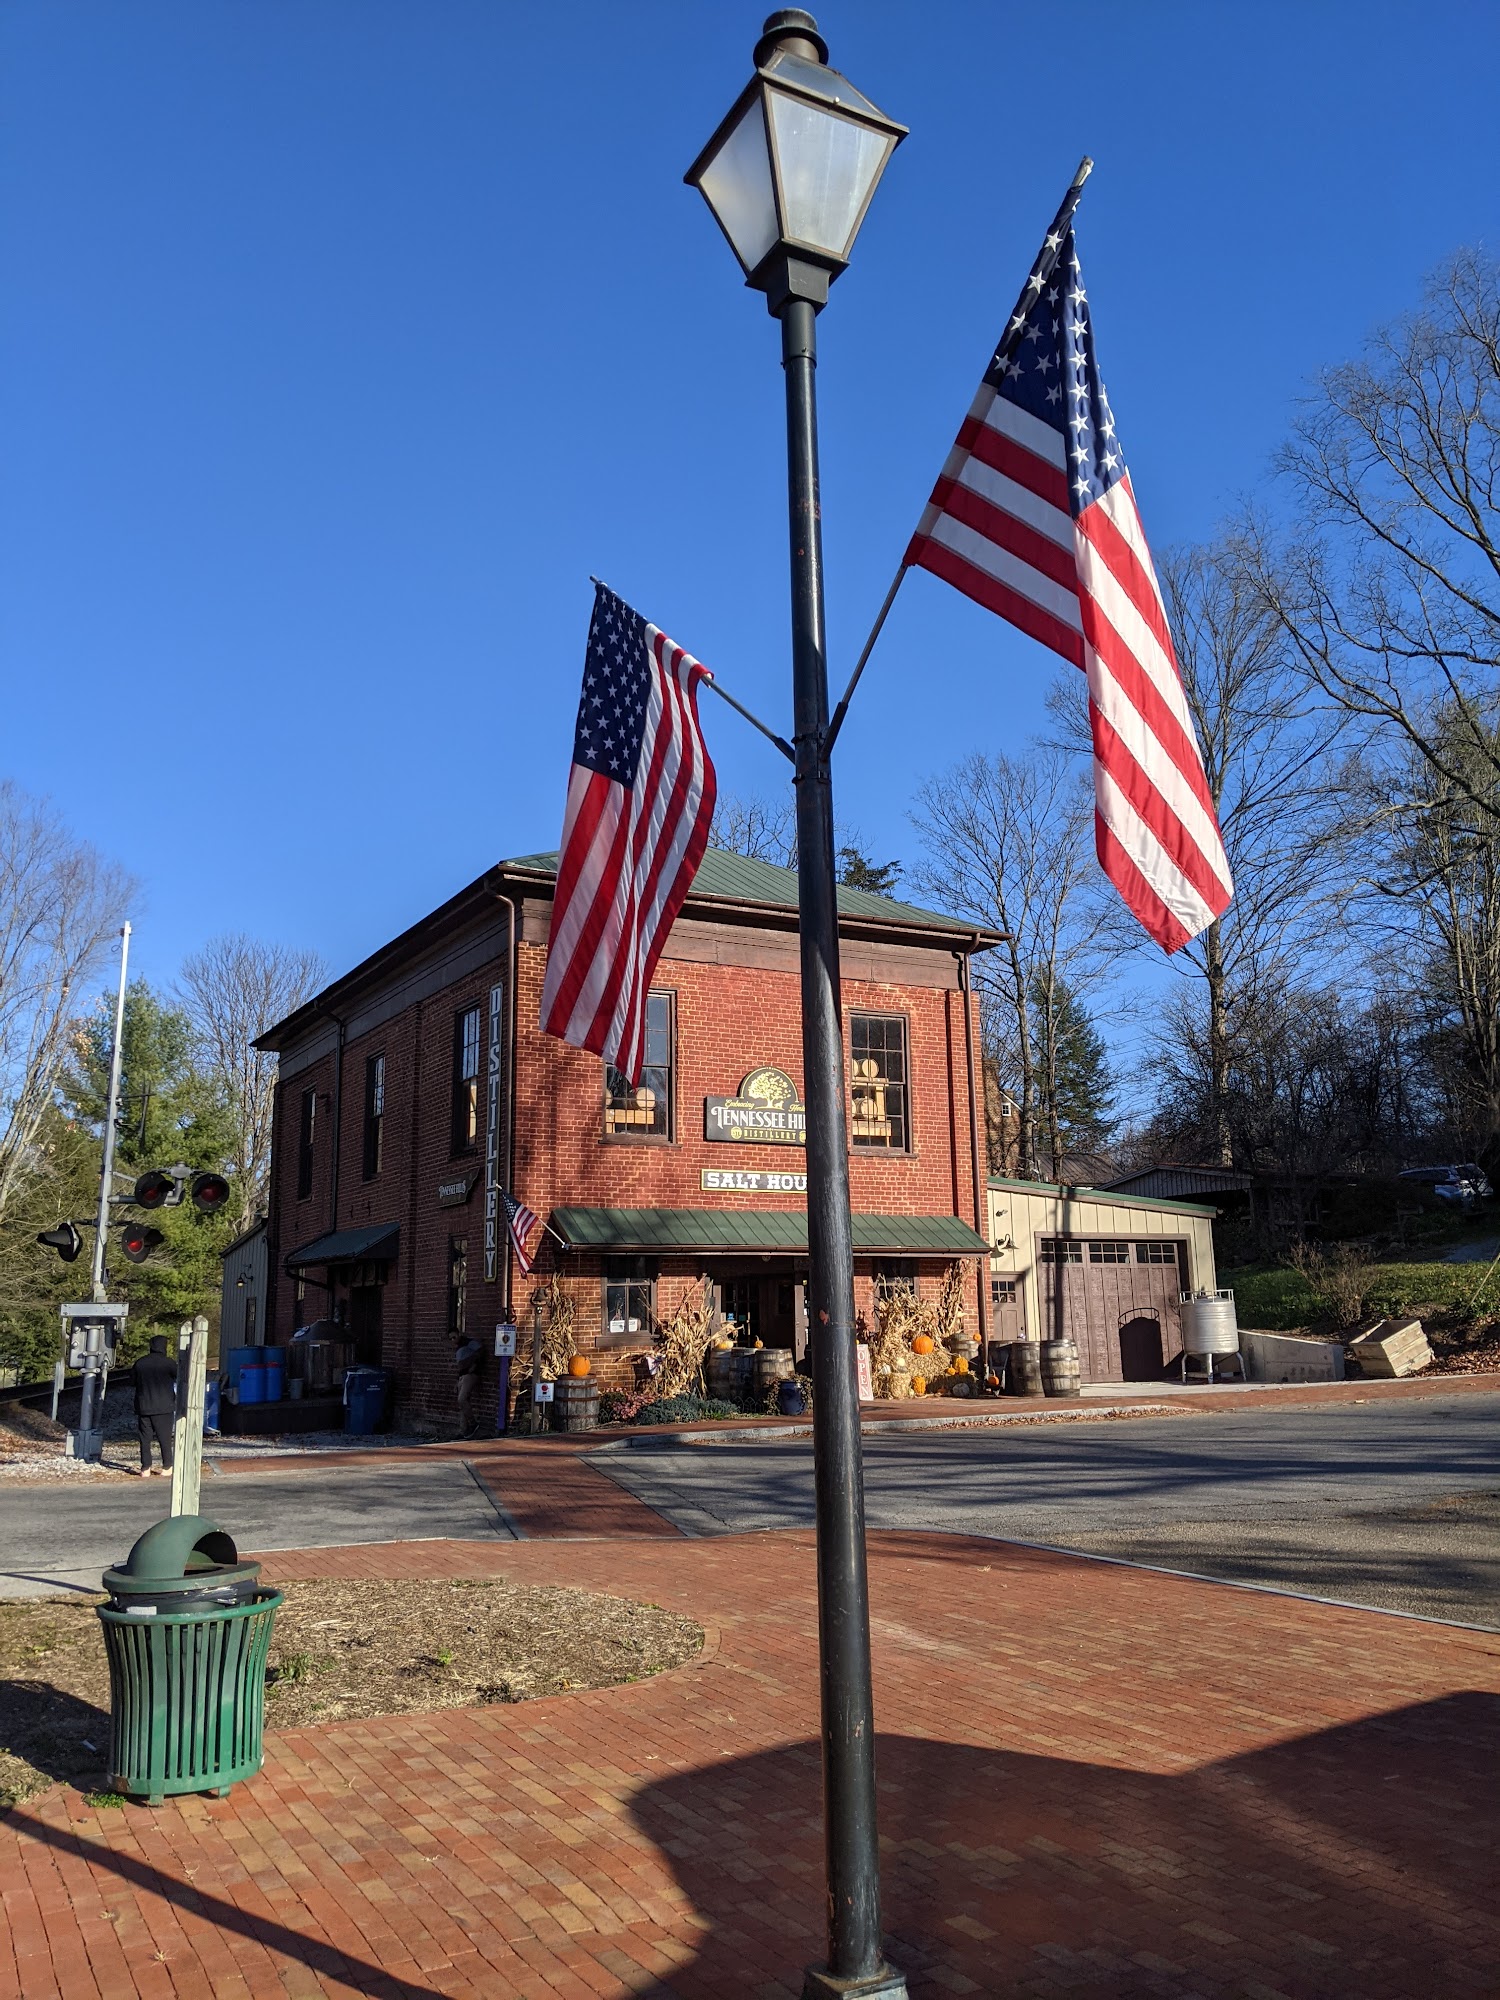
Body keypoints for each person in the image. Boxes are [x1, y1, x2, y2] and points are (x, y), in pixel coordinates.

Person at [132, 1334, 178, 1477]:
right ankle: (167, 1466)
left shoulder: (140, 1363)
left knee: (145, 1439)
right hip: (164, 1407)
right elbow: (179, 1377)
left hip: (144, 1406)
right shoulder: (169, 1363)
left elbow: (132, 1381)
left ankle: (145, 1467)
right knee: (164, 1438)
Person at [454, 1332, 483, 1438]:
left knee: (462, 1399)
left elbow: (480, 1352)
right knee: (463, 1403)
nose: (453, 1339)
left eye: (454, 1336)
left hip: (469, 1375)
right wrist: (457, 1380)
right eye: (451, 1338)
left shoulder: (469, 1342)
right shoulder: (458, 1348)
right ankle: (463, 1430)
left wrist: (474, 1366)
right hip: (463, 1376)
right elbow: (460, 1366)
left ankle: (473, 1423)